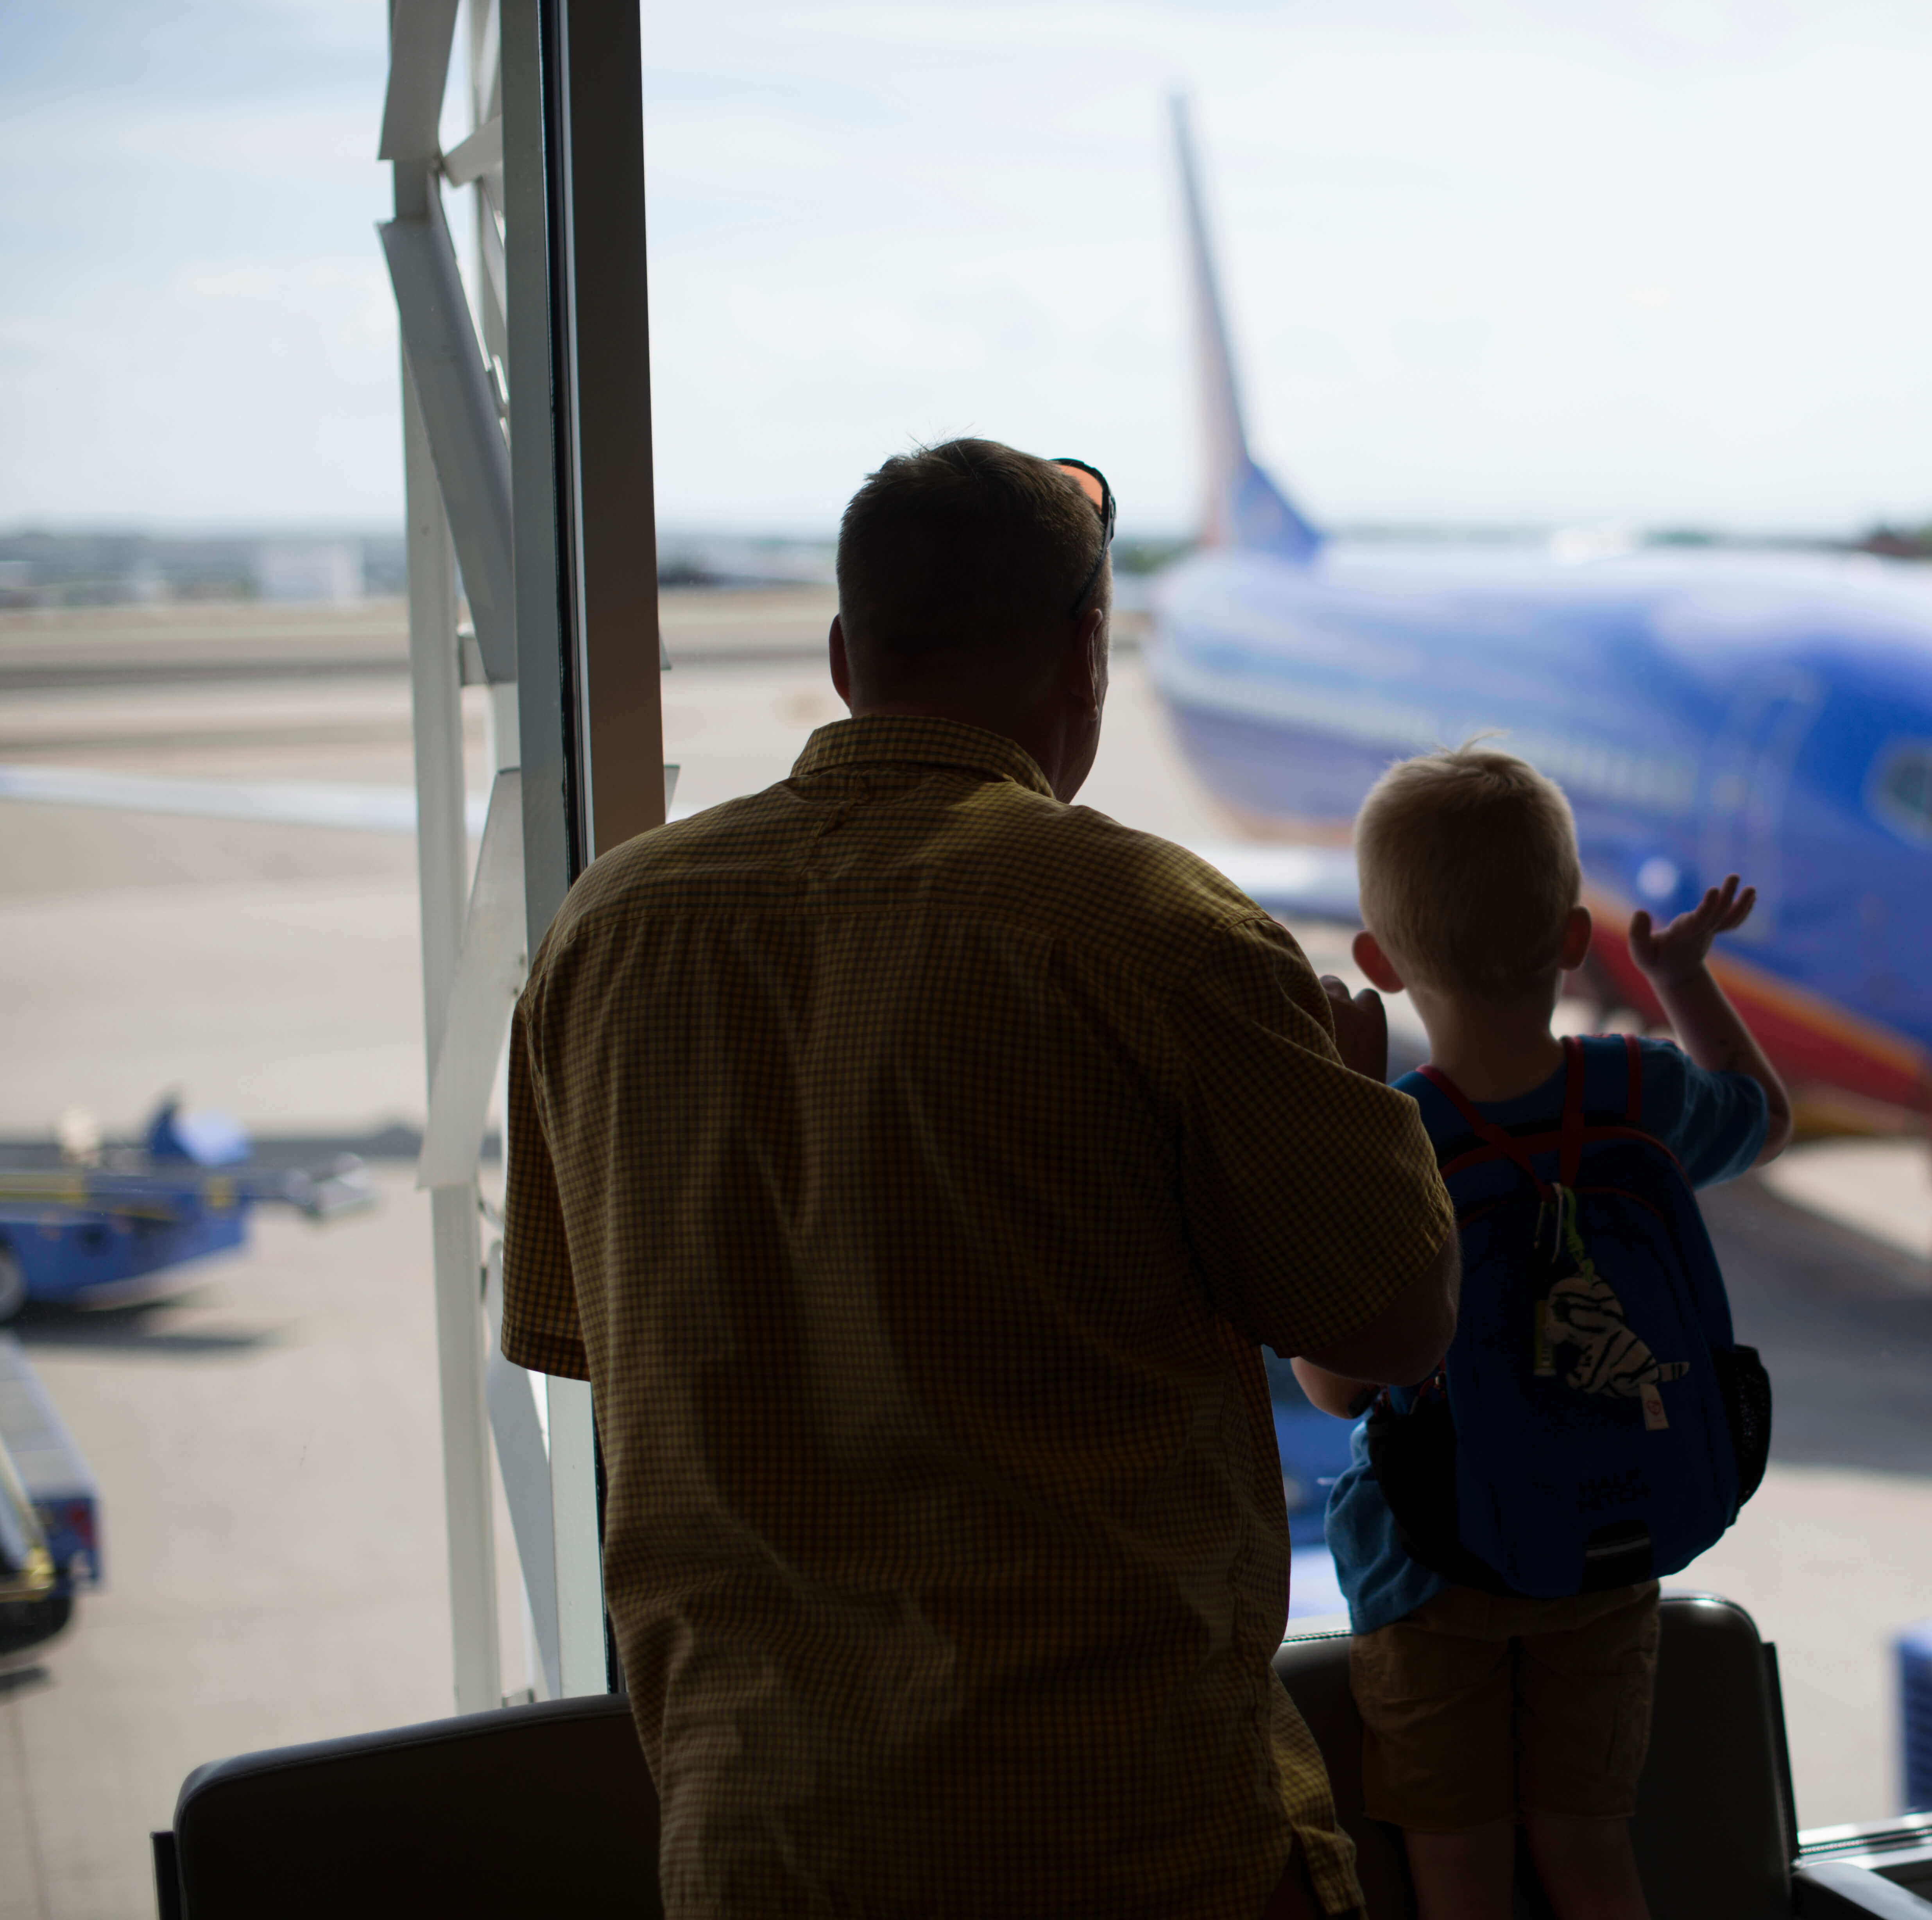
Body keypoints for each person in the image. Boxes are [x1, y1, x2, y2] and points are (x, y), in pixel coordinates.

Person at [497, 437, 1459, 1920]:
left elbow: (588, 1344)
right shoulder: (1158, 929)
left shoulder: (606, 932)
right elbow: (1394, 1329)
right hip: (1125, 1845)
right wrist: (1350, 1101)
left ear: (842, 657)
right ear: (1088, 653)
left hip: (760, 1845)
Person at [1290, 745, 1792, 1920]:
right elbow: (1763, 1122)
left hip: (1432, 1567)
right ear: (1576, 939)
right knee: (1588, 1843)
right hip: (1608, 1547)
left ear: (1378, 963)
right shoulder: (1639, 1093)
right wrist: (1682, 979)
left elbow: (1335, 1384)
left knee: (1457, 1869)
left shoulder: (1403, 1134)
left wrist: (1343, 1115)